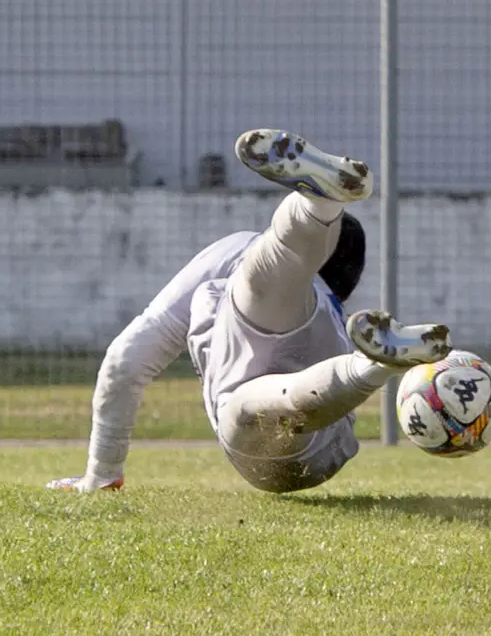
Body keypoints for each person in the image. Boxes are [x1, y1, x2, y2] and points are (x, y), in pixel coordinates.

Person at [47, 128, 451, 494]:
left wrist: (103, 471)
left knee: (248, 366)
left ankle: (318, 209)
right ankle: (374, 364)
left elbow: (124, 361)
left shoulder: (240, 256)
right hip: (327, 450)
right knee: (276, 372)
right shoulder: (333, 317)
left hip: (253, 442)